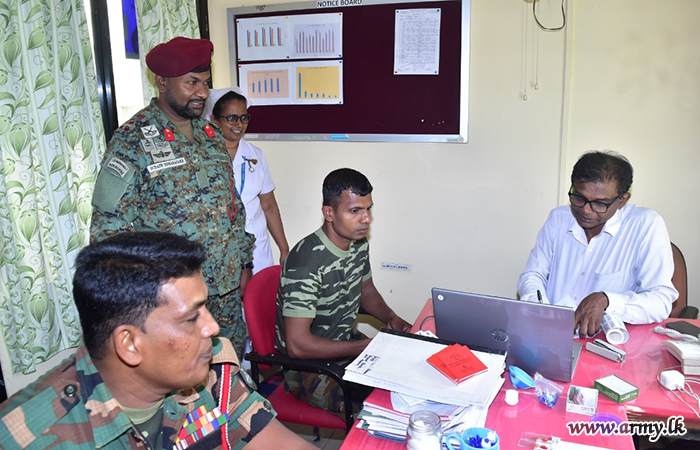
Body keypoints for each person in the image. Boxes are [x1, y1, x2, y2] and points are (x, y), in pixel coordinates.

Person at [0, 232, 315, 450]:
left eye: (206, 308)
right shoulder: (27, 437)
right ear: (129, 344)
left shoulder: (212, 370)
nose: (213, 327)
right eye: (191, 318)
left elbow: (278, 442)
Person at [90, 37, 254, 359]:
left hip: (226, 289)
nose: (202, 93)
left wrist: (244, 261)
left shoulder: (211, 136)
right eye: (192, 83)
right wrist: (141, 296)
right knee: (183, 378)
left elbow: (232, 206)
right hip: (173, 298)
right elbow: (107, 230)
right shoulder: (132, 141)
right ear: (162, 82)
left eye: (205, 83)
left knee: (228, 371)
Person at [275, 168, 412, 415]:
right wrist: (366, 346)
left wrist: (391, 318)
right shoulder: (305, 262)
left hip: (344, 343)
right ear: (329, 213)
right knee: (380, 408)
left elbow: (366, 291)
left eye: (368, 209)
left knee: (408, 374)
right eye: (355, 211)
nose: (366, 219)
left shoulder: (358, 243)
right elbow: (297, 345)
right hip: (308, 368)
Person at [517, 151, 677, 337]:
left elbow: (660, 301)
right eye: (579, 198)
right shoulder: (558, 219)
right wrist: (540, 310)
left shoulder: (645, 225)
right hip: (551, 335)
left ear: (622, 200)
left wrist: (608, 300)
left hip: (607, 342)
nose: (586, 210)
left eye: (600, 204)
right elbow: (532, 274)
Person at [204, 88, 290, 273]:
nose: (239, 124)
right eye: (232, 118)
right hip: (220, 247)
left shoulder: (255, 155)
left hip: (256, 246)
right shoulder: (202, 156)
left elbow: (269, 206)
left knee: (258, 290)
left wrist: (284, 248)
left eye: (244, 118)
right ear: (214, 120)